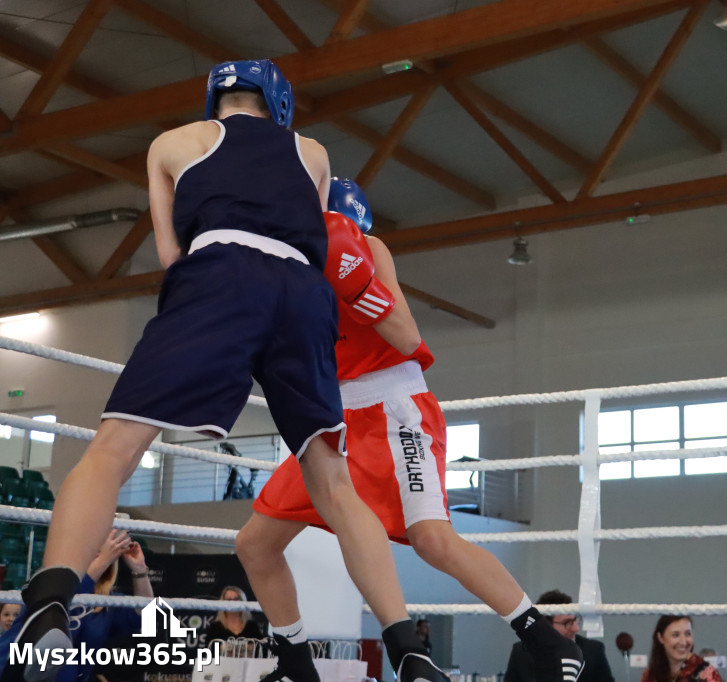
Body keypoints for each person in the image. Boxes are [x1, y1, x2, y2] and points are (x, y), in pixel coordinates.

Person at [3, 58, 435, 682]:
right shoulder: (313, 152)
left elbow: (170, 252)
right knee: (334, 484)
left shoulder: (173, 143)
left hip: (220, 273)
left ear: (215, 98)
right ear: (279, 102)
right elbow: (316, 245)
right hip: (303, 297)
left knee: (114, 450)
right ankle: (408, 648)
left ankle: (45, 613)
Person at [239, 178, 583, 682]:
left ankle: (546, 641)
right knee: (255, 543)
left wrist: (356, 282)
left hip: (391, 406)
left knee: (432, 539)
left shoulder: (368, 247)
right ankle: (295, 664)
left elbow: (405, 335)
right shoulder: (280, 272)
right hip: (330, 420)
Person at [0, 529, 153, 682]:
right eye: (93, 550)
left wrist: (139, 569)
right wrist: (104, 558)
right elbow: (67, 592)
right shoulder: (49, 583)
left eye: (99, 551)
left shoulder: (105, 601)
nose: (95, 555)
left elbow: (146, 615)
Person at [503, 589, 614, 682]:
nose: (576, 628)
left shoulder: (594, 650)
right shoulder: (520, 651)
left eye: (575, 620)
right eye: (567, 623)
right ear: (546, 626)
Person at [639, 615, 721, 682]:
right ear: (660, 638)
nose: (683, 642)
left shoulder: (706, 673)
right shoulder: (650, 674)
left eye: (687, 634)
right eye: (675, 635)